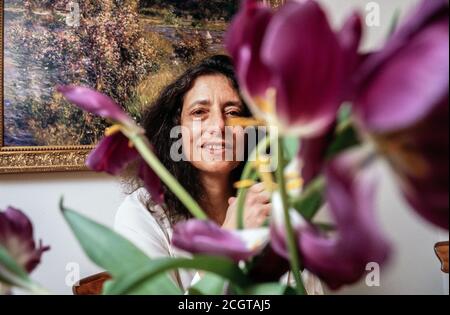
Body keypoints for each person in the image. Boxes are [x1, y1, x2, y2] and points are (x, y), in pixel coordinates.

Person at [114, 55, 323, 294]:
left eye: (233, 112)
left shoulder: (271, 203)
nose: (219, 126)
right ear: (177, 129)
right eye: (199, 112)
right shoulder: (142, 213)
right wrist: (229, 240)